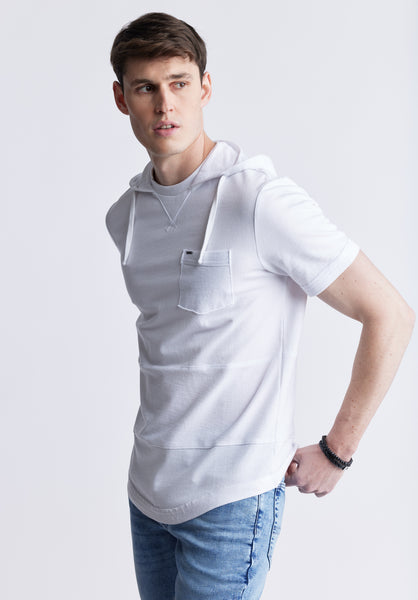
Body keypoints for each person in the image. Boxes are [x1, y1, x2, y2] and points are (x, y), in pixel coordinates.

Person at [105, 12, 415, 600]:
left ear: (205, 88)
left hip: (231, 503)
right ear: (122, 99)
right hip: (147, 496)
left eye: (179, 83)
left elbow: (390, 315)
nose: (165, 104)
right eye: (146, 87)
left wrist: (338, 451)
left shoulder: (258, 200)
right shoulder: (125, 216)